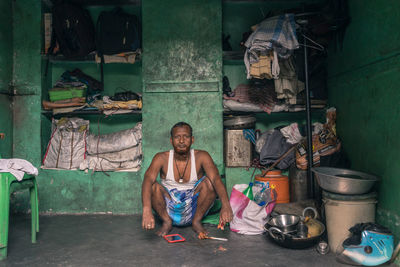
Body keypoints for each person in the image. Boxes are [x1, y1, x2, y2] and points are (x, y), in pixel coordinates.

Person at [141, 122, 233, 236]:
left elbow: (216, 180)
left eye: (186, 136)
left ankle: (196, 222)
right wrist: (146, 209)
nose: (181, 141)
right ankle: (167, 221)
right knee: (153, 186)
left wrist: (226, 205)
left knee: (209, 182)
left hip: (194, 209)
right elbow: (147, 180)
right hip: (168, 209)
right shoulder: (161, 158)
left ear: (192, 139)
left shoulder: (202, 156)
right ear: (171, 140)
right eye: (177, 137)